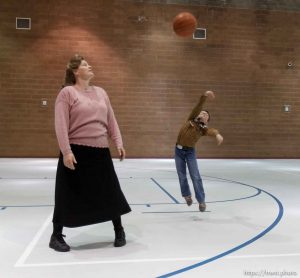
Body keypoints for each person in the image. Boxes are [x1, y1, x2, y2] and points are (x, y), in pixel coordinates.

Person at [49, 54, 131, 252]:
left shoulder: (101, 92)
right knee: (66, 193)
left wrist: (118, 141)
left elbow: (111, 119)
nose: (90, 66)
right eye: (85, 65)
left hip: (101, 151)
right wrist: (66, 151)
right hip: (76, 152)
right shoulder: (67, 93)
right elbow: (61, 125)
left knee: (110, 191)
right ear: (76, 71)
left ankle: (119, 230)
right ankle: (56, 235)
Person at [175, 90, 223, 212]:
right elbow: (198, 106)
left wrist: (217, 134)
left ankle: (201, 201)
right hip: (178, 151)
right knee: (182, 176)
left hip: (190, 152)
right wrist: (204, 96)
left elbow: (211, 131)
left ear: (207, 120)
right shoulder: (191, 118)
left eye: (206, 115)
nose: (203, 114)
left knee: (195, 176)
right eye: (202, 113)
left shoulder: (203, 129)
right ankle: (187, 195)